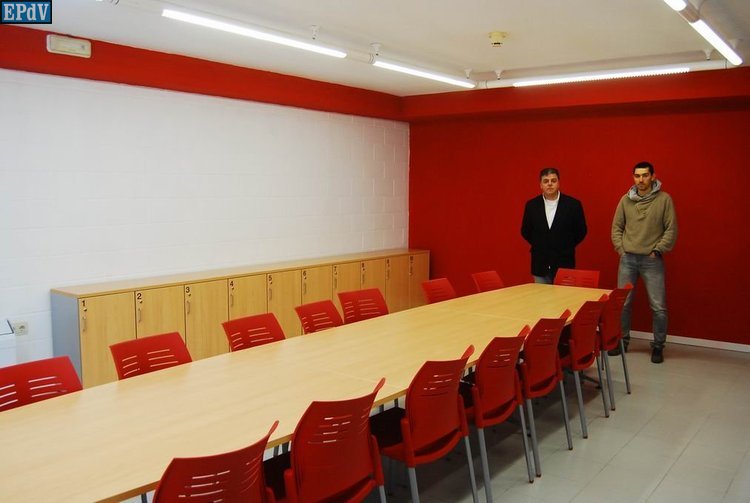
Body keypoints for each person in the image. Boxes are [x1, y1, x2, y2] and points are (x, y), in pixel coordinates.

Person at [611, 161, 678, 364]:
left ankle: (658, 346)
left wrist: (657, 250)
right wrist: (621, 250)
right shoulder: (625, 200)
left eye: (645, 175)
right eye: (637, 176)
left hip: (651, 260)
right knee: (623, 304)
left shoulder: (664, 199)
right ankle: (622, 341)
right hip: (628, 259)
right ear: (633, 177)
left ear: (653, 176)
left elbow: (671, 229)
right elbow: (616, 227)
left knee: (658, 306)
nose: (641, 180)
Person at [521, 168, 587, 283]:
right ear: (541, 185)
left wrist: (565, 245)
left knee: (566, 295)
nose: (550, 184)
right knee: (541, 295)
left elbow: (581, 231)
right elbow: (525, 230)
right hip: (540, 263)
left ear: (558, 183)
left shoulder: (573, 205)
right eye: (546, 181)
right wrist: (542, 243)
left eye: (553, 180)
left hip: (564, 262)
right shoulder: (532, 205)